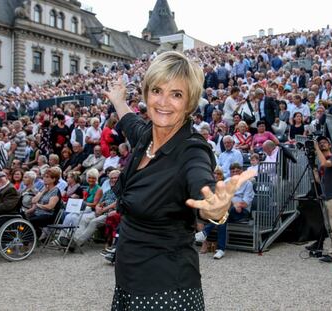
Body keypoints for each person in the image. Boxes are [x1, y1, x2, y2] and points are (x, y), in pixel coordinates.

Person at [104, 51, 254, 310]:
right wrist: (118, 99)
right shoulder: (145, 137)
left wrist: (214, 207)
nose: (163, 102)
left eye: (176, 94)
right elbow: (129, 120)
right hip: (129, 282)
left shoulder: (192, 151)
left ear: (189, 103)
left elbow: (201, 185)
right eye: (157, 90)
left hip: (167, 291)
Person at [195, 163, 255, 259]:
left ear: (241, 172)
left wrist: (234, 203)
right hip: (227, 211)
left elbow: (245, 203)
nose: (235, 173)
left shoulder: (248, 184)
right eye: (233, 171)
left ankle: (205, 232)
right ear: (230, 173)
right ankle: (220, 250)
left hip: (241, 212)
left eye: (237, 171)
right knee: (223, 218)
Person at [312, 136, 332, 263]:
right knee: (330, 226)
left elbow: (325, 163)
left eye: (325, 142)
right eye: (320, 143)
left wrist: (316, 148)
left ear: (330, 145)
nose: (322, 144)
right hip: (327, 197)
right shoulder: (322, 163)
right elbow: (320, 181)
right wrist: (314, 170)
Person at [26, 167, 61, 239]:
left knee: (30, 221)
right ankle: (29, 239)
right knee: (23, 218)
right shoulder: (44, 188)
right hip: (38, 213)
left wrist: (38, 205)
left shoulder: (55, 191)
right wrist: (43, 192)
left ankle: (35, 237)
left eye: (47, 177)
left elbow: (50, 207)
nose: (44, 178)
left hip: (48, 216)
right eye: (44, 176)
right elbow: (33, 201)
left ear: (54, 179)